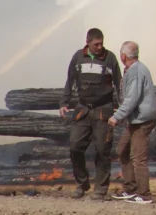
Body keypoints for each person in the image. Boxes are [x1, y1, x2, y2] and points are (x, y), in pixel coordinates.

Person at [59, 27, 122, 199]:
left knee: (103, 150)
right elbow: (70, 80)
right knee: (75, 147)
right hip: (83, 110)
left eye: (102, 43)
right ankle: (82, 184)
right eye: (96, 44)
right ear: (87, 42)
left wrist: (123, 109)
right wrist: (64, 102)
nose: (100, 47)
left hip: (103, 110)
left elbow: (119, 84)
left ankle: (101, 189)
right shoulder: (78, 57)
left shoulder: (110, 58)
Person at [109, 41, 156, 205]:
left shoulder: (136, 71)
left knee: (138, 158)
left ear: (123, 56)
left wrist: (117, 116)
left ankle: (144, 194)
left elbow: (132, 98)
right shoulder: (134, 69)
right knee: (122, 149)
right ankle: (130, 188)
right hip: (136, 119)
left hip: (142, 120)